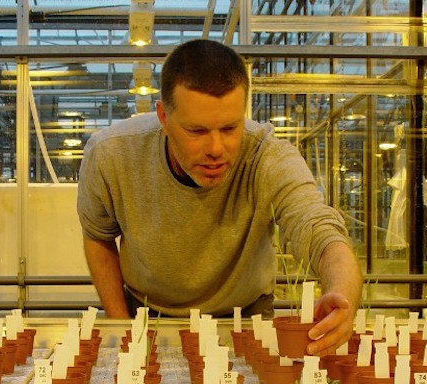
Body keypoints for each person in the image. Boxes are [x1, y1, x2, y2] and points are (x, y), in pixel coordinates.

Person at [77, 39, 363, 356]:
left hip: (246, 317)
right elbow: (98, 237)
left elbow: (319, 229)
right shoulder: (111, 155)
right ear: (163, 117)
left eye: (230, 127)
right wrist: (123, 326)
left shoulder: (267, 156)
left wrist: (341, 293)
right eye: (197, 131)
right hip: (148, 314)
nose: (216, 149)